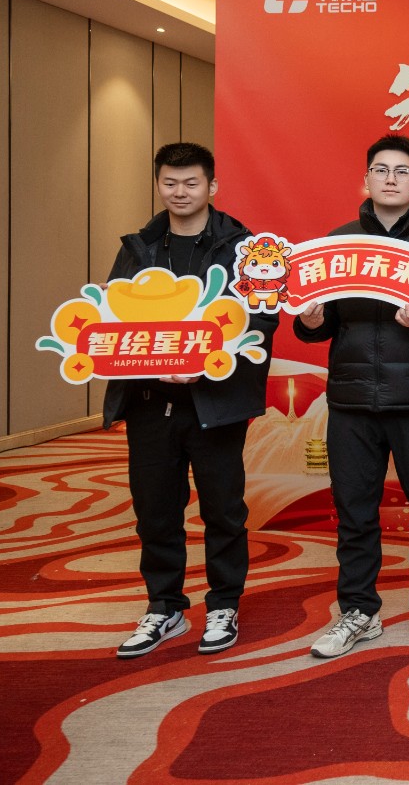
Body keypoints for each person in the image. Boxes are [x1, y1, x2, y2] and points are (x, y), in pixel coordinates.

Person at [294, 135, 409, 658]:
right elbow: (317, 324)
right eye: (381, 170)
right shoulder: (338, 243)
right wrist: (310, 320)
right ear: (367, 180)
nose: (391, 179)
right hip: (352, 399)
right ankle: (359, 611)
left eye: (402, 171)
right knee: (354, 511)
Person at [103, 142, 275, 658]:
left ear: (212, 186)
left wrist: (207, 362)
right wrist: (148, 362)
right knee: (155, 508)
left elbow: (261, 318)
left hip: (215, 402)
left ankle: (223, 604)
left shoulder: (243, 247)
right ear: (159, 185)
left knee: (223, 509)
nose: (180, 192)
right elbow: (113, 315)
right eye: (170, 183)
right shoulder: (139, 247)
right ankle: (165, 606)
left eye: (191, 182)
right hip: (149, 400)